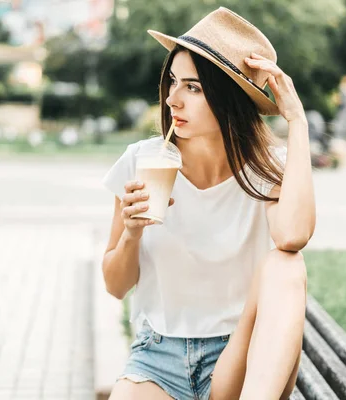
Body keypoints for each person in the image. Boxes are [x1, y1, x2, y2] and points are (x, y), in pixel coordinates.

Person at [101, 7, 316, 400]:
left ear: (228, 97)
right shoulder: (142, 160)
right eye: (172, 82)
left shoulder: (265, 168)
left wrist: (297, 121)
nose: (172, 100)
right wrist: (131, 234)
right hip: (158, 357)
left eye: (193, 88)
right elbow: (116, 287)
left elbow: (293, 236)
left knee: (286, 264)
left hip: (240, 355)